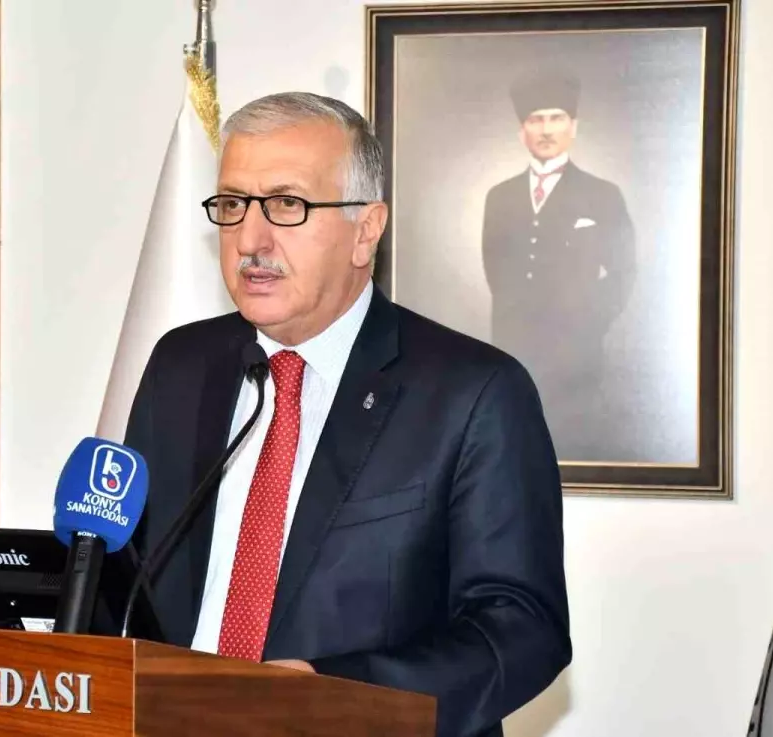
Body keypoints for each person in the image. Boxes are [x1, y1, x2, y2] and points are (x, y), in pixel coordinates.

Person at [123, 91, 571, 737]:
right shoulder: (180, 365)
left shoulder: (474, 392)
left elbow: (522, 627)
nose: (250, 239)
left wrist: (338, 695)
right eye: (232, 204)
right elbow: (129, 575)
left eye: (287, 205)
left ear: (366, 229)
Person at [481, 69, 636, 456]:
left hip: (576, 356)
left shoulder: (603, 194)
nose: (546, 129)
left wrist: (588, 322)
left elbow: (624, 271)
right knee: (515, 450)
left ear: (573, 127)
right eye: (536, 120)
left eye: (556, 118)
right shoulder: (500, 197)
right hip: (515, 351)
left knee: (573, 446)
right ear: (522, 132)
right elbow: (495, 268)